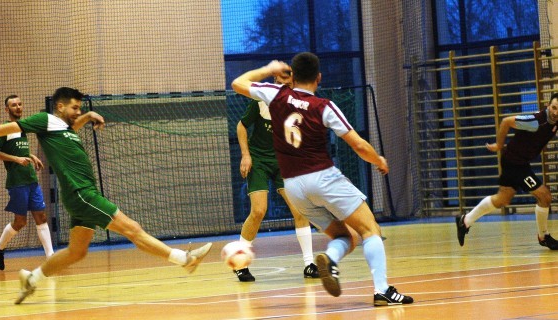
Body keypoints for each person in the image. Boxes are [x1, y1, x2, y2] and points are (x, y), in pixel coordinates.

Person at [0, 87, 213, 304]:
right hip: (83, 194)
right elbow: (8, 127)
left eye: (80, 109)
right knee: (133, 228)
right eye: (75, 108)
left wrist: (88, 115)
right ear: (60, 106)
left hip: (81, 196)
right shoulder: (45, 121)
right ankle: (184, 260)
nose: (77, 112)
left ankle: (32, 278)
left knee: (76, 252)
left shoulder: (64, 128)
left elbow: (73, 127)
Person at [231, 53, 414, 306]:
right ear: (319, 78)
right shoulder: (324, 106)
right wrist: (378, 161)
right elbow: (358, 145)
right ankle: (382, 290)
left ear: (292, 76)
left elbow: (237, 83)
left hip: (294, 185)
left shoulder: (276, 95)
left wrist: (268, 68)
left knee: (344, 237)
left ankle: (330, 259)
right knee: (369, 229)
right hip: (322, 177)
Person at [235, 73, 318, 282]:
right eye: (279, 83)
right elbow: (241, 126)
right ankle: (240, 263)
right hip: (259, 161)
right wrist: (246, 155)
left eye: (287, 84)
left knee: (300, 209)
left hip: (284, 161)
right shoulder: (261, 100)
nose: (282, 88)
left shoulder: (299, 105)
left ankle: (309, 264)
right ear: (274, 84)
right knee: (258, 211)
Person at [456, 93, 558, 250]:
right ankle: (543, 237)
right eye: (554, 107)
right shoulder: (535, 122)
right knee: (544, 196)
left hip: (518, 162)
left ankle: (465, 221)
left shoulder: (555, 121)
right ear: (548, 106)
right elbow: (506, 122)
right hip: (514, 163)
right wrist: (498, 145)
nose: (556, 112)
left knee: (502, 199)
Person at [0, 95, 54, 271]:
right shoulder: (4, 129)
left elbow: (19, 148)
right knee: (20, 222)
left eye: (19, 104)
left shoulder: (22, 128)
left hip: (31, 179)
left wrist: (31, 156)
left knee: (41, 217)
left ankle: (51, 258)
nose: (18, 107)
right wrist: (16, 159)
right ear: (6, 109)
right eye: (13, 105)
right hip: (17, 182)